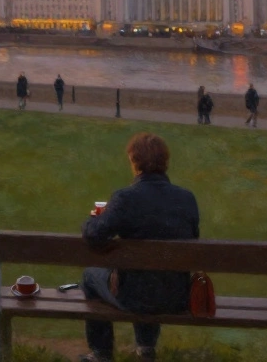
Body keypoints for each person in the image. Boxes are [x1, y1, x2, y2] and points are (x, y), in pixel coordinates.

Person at [80, 133, 199, 362]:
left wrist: (93, 218)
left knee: (90, 276)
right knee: (152, 275)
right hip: (178, 296)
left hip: (132, 297)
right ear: (165, 161)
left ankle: (101, 353)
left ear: (134, 163)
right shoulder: (187, 198)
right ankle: (146, 348)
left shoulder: (125, 198)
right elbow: (192, 238)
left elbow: (94, 235)